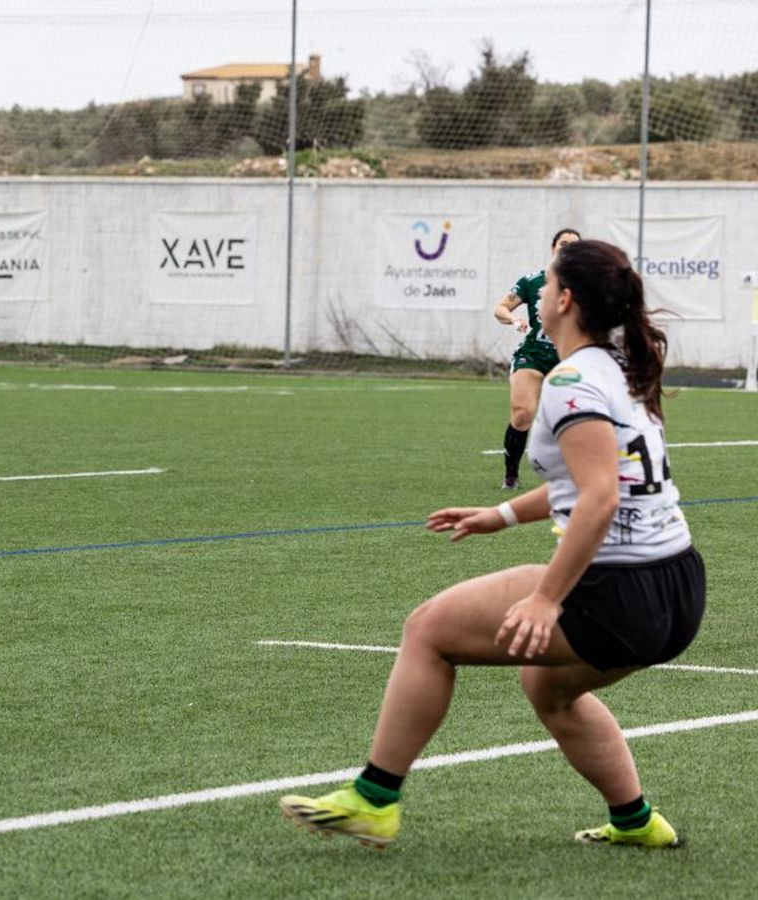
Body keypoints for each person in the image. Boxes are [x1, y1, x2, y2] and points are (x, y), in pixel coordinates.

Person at [281, 239, 703, 850]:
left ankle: (373, 800)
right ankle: (637, 822)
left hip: (619, 589)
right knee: (549, 688)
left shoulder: (572, 379)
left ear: (563, 299)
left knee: (428, 630)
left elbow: (600, 497)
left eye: (548, 279)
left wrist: (545, 600)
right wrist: (500, 515)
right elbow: (597, 482)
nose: (537, 288)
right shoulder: (620, 367)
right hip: (678, 586)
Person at [495, 228, 582, 489]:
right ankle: (511, 474)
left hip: (568, 358)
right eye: (562, 244)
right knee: (522, 414)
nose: (567, 249)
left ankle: (579, 472)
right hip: (532, 355)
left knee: (575, 417)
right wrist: (513, 319)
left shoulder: (587, 285)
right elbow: (500, 308)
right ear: (553, 248)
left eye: (573, 246)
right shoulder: (532, 282)